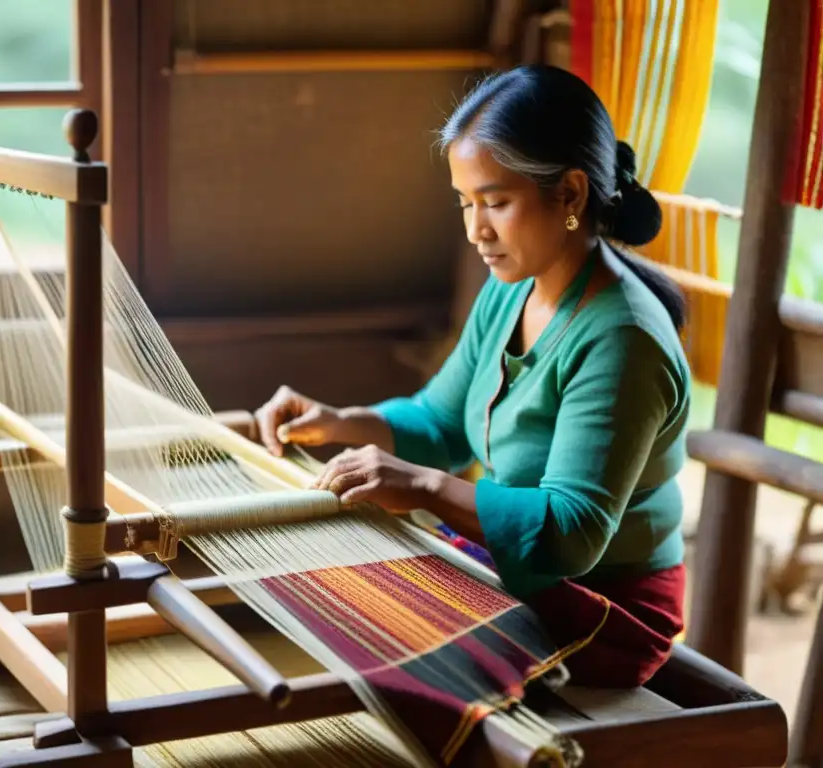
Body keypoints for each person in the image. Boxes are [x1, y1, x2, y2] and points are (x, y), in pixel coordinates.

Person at [253, 64, 691, 688]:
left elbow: (572, 532)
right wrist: (340, 422)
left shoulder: (623, 338)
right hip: (522, 571)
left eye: (495, 202)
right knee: (324, 598)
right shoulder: (511, 289)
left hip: (603, 606)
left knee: (370, 647)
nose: (475, 230)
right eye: (465, 202)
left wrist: (428, 489)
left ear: (569, 194)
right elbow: (442, 420)